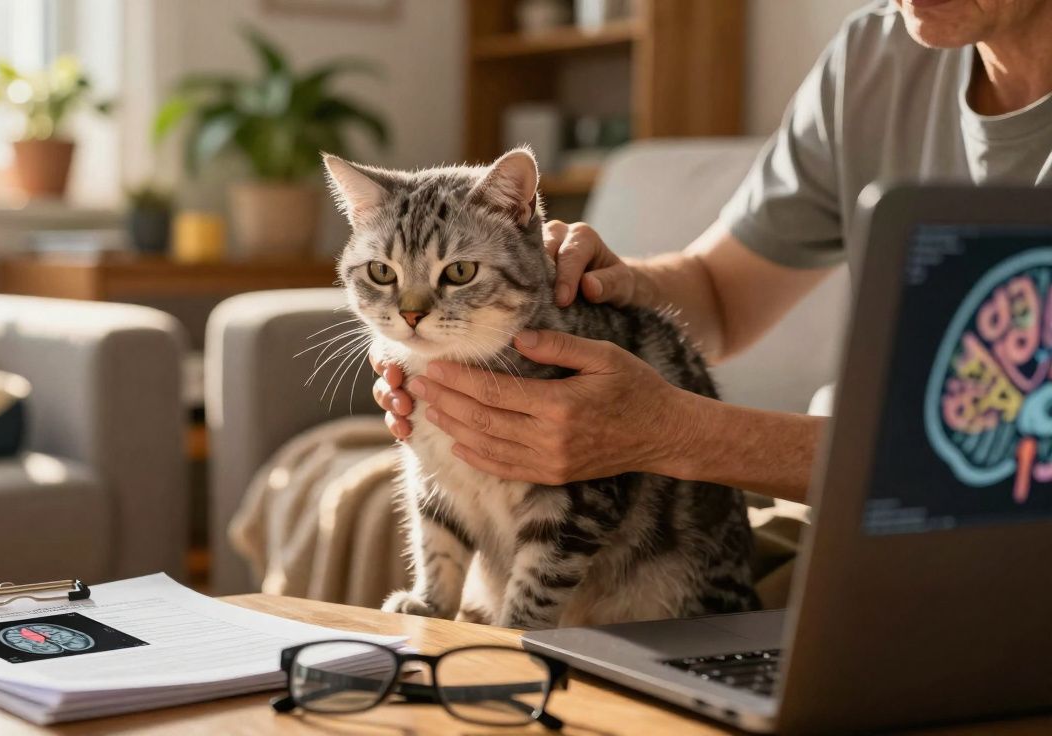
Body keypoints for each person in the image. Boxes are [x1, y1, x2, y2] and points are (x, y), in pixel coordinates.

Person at [372, 0, 1052, 503]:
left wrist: (675, 433)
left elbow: (1020, 464)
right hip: (846, 518)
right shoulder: (873, 60)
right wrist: (603, 292)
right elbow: (721, 296)